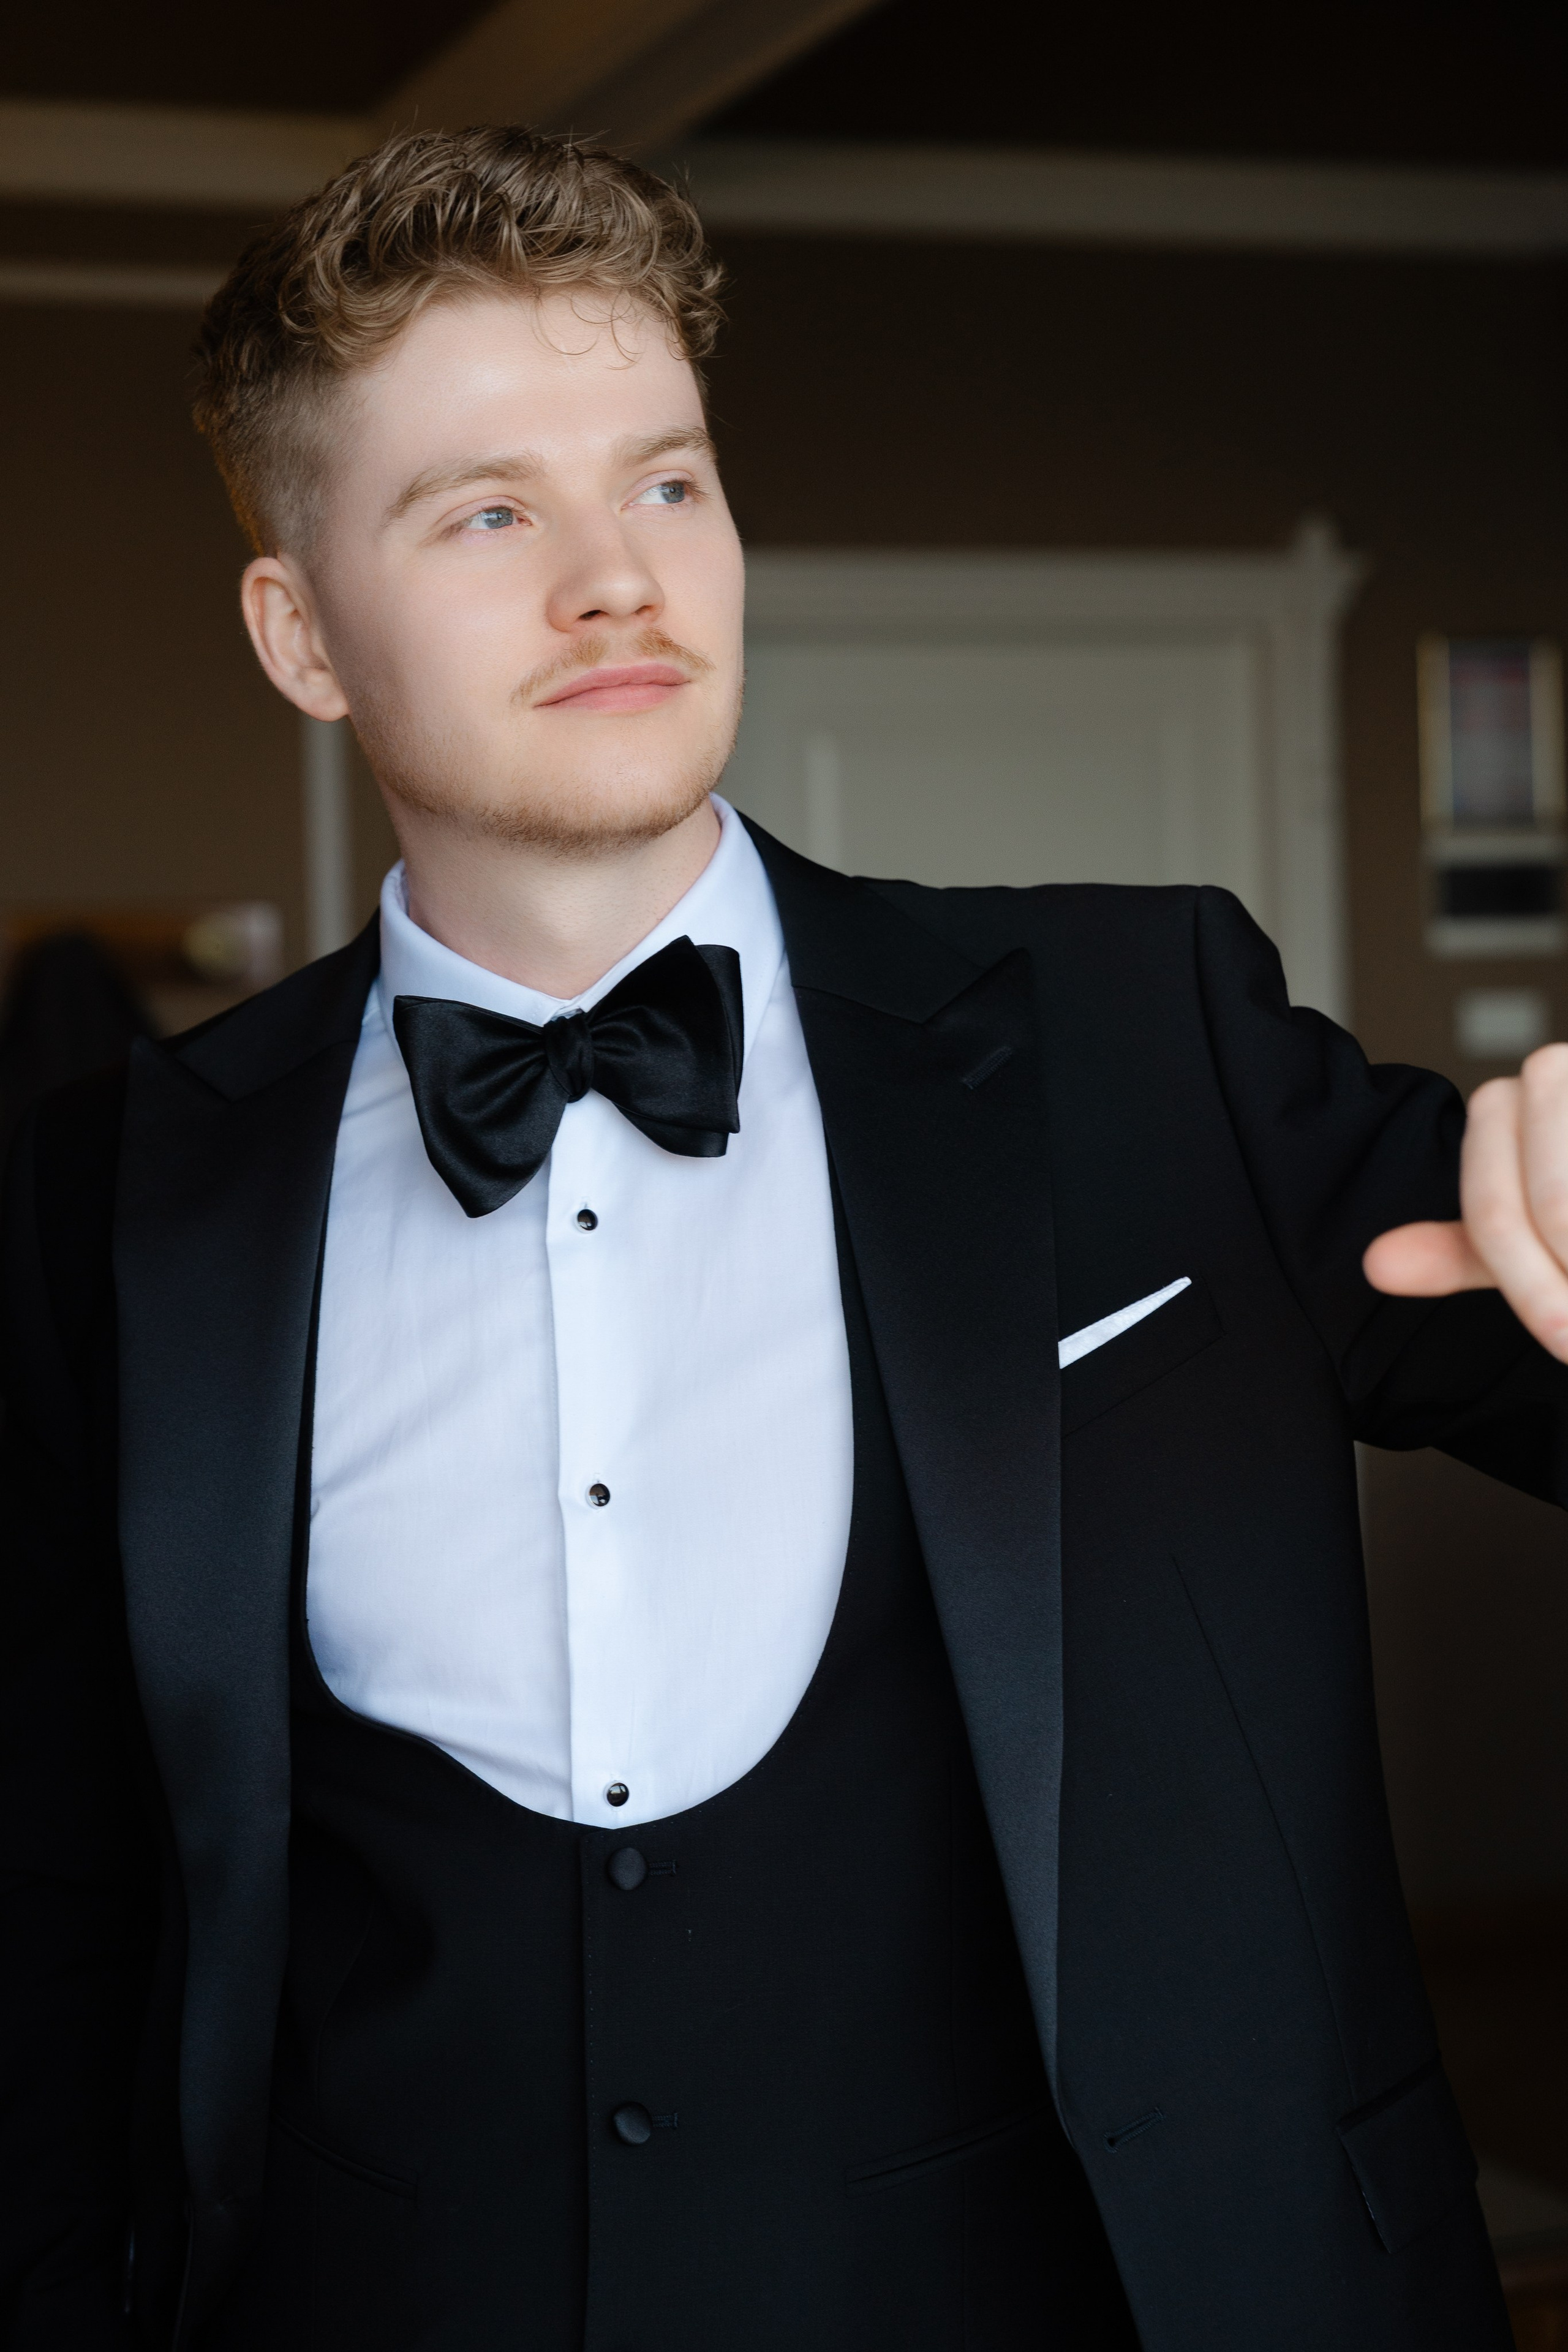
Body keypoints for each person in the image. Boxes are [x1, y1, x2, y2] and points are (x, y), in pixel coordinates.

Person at [2, 121, 1563, 2352]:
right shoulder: (113, 1188)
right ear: (300, 630)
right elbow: (55, 1904)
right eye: (485, 513)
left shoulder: (1147, 1031)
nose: (617, 578)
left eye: (666, 481)